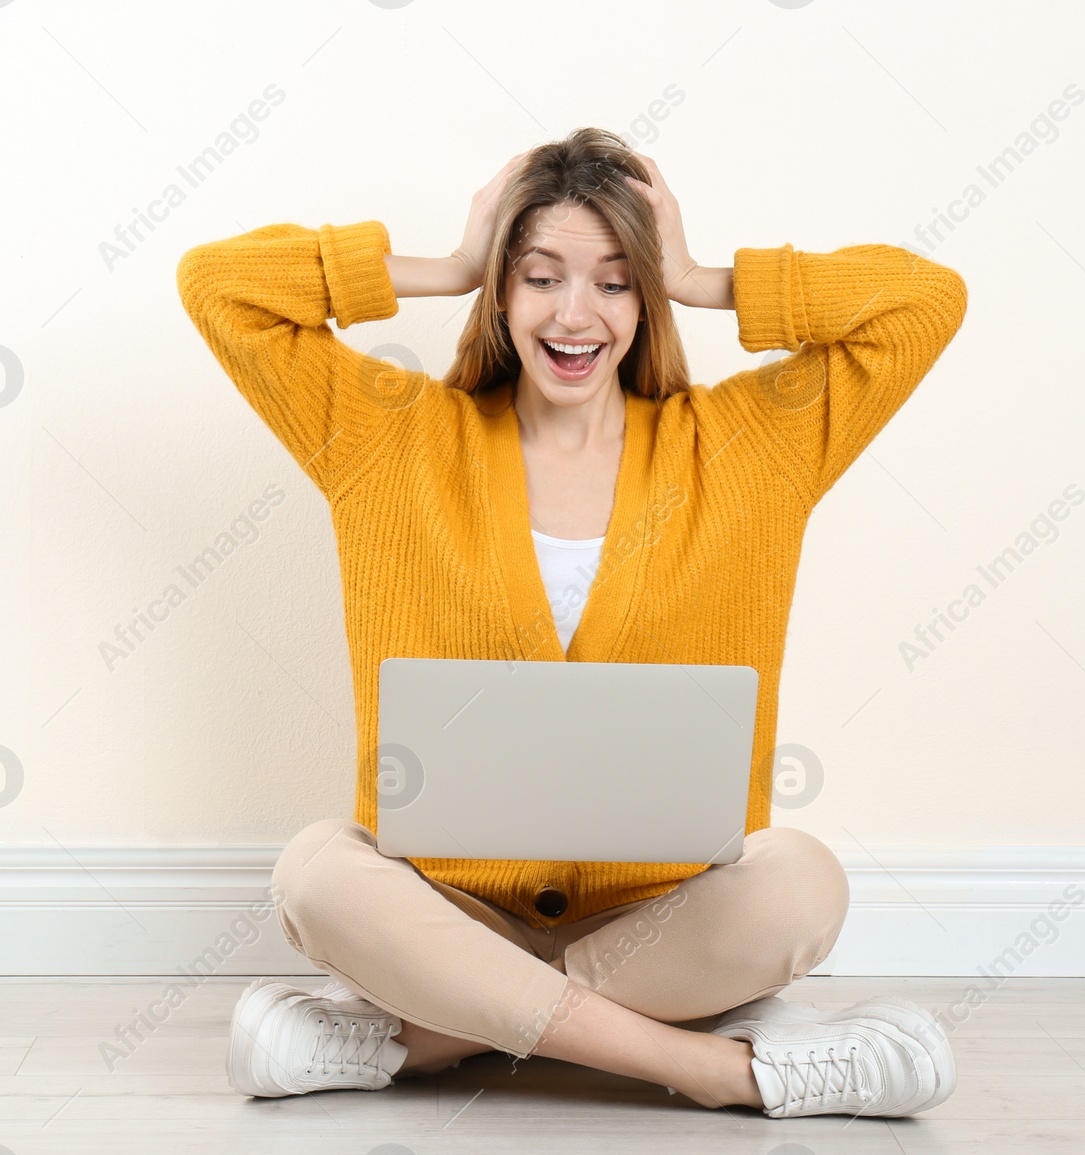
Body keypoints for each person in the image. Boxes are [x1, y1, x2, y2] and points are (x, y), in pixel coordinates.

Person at [175, 127, 969, 1118]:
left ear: (645, 298)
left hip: (660, 920)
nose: (574, 314)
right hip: (446, 911)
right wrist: (448, 263)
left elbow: (924, 305)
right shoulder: (388, 437)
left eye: (614, 281)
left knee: (802, 882)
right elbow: (219, 285)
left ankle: (411, 1043)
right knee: (317, 873)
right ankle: (723, 1068)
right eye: (539, 276)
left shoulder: (748, 449)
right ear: (501, 295)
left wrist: (700, 275)